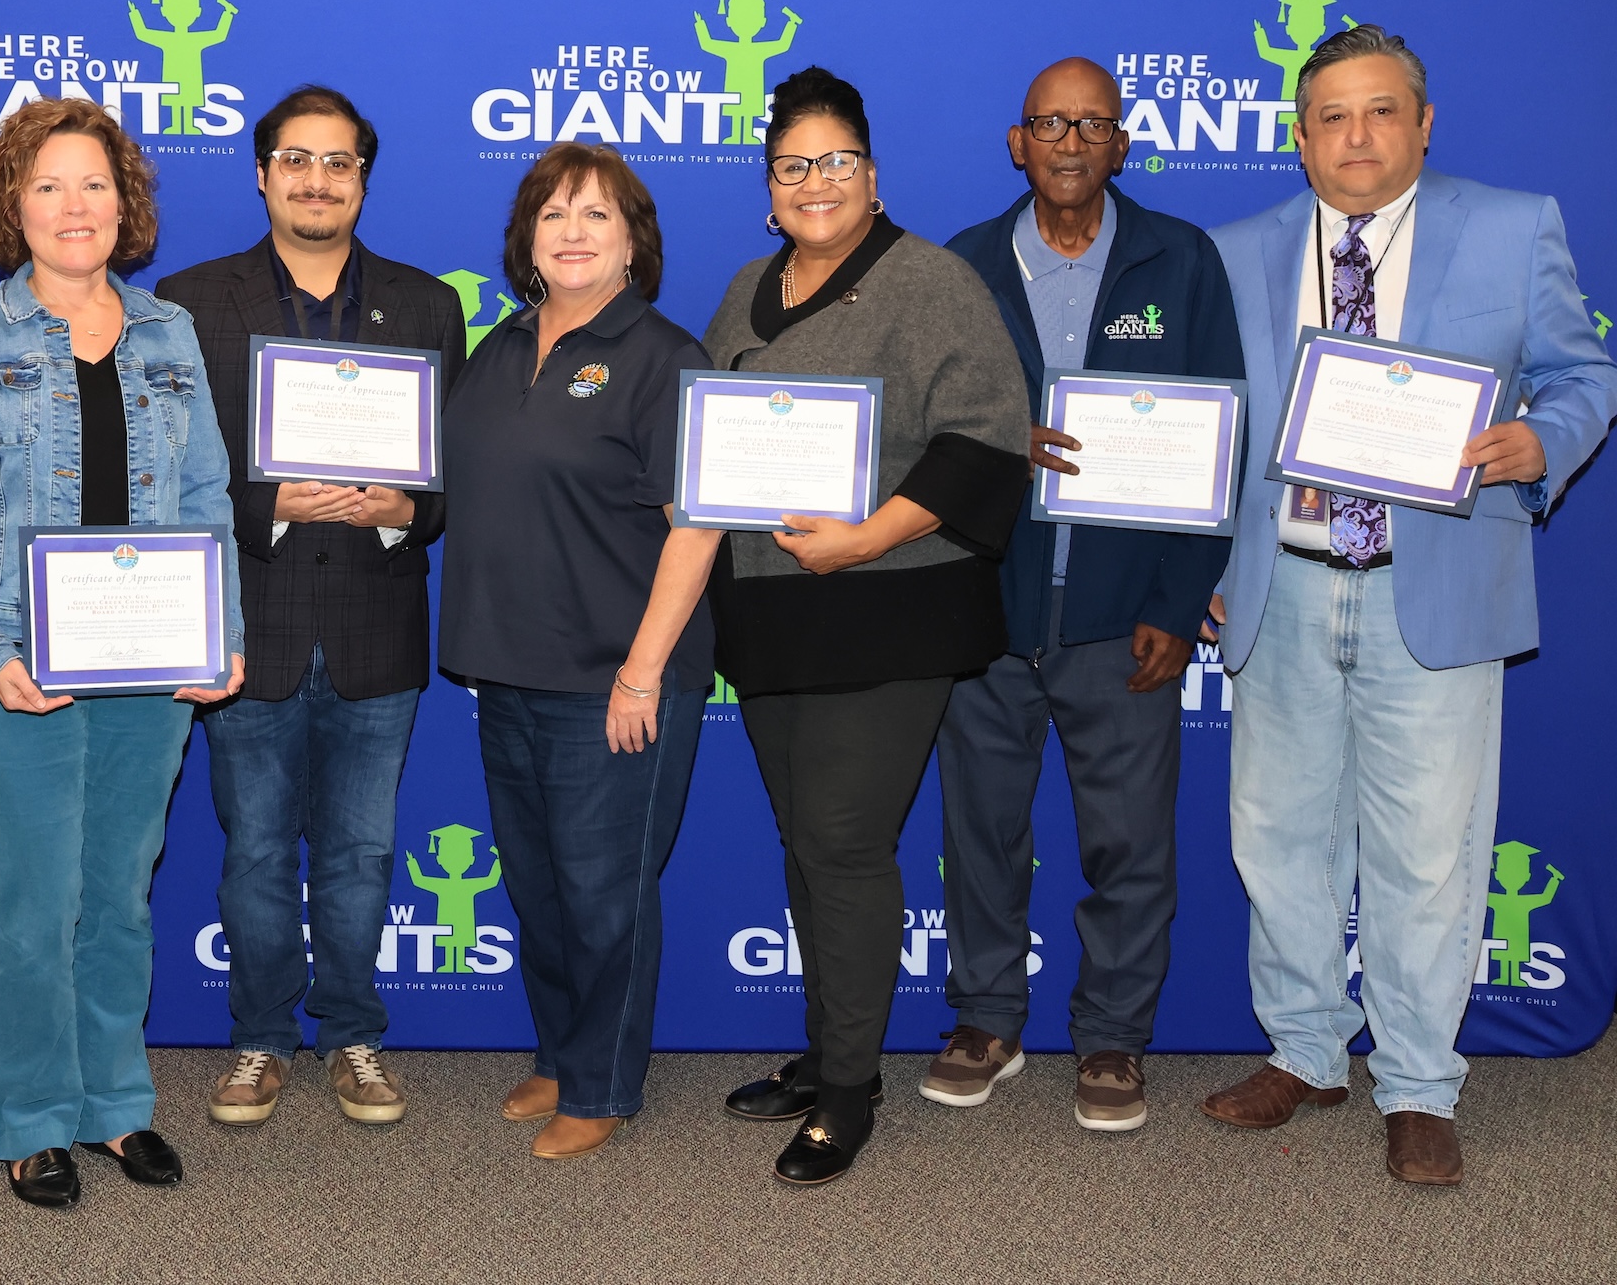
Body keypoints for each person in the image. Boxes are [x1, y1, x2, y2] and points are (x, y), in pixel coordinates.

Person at [1203, 25, 1617, 1186]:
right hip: (1281, 588)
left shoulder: (1510, 223)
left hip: (1429, 591)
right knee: (1278, 842)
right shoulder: (1238, 251)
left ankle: (1421, 1084)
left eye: (1382, 112)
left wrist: (1547, 439)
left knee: (1430, 856)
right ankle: (1304, 1050)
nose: (1358, 137)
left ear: (1424, 124)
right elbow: (1215, 424)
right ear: (1298, 138)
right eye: (1332, 116)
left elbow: (1589, 374)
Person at [0, 98, 245, 1208]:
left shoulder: (167, 331)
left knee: (121, 897)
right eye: (46, 184)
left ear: (126, 201)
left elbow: (204, 494)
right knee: (39, 901)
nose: (73, 205)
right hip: (15, 668)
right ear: (12, 203)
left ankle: (113, 1105)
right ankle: (29, 1114)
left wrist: (220, 630)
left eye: (94, 183)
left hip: (149, 665)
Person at [705, 67, 1031, 1186]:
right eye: (793, 166)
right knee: (808, 845)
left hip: (887, 611)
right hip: (768, 617)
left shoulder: (932, 282)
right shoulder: (748, 285)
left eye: (835, 162)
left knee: (843, 844)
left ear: (874, 177)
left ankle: (849, 1089)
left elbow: (986, 444)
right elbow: (716, 440)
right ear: (768, 189)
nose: (814, 182)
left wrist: (864, 537)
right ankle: (829, 1049)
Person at [928, 58, 1244, 1133]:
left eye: (1092, 125)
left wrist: (1179, 598)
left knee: (1129, 846)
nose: (1070, 142)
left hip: (1125, 621)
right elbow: (913, 428)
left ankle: (1111, 1040)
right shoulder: (960, 266)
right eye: (1049, 124)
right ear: (1018, 144)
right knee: (978, 833)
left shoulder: (1182, 260)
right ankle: (985, 1020)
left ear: (1122, 143)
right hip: (983, 611)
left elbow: (1217, 438)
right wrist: (990, 447)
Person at [155, 86, 468, 1128]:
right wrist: (267, 499)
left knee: (363, 855)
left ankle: (353, 1035)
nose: (317, 179)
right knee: (251, 853)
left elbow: (451, 478)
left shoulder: (427, 306)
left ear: (363, 180)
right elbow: (170, 464)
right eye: (297, 159)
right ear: (261, 172)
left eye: (339, 163)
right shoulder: (193, 302)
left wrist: (402, 510)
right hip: (251, 626)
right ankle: (256, 1039)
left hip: (378, 627)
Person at [439, 143, 720, 1162]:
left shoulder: (662, 356)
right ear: (525, 237)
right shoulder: (503, 346)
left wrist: (642, 670)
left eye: (597, 215)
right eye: (552, 213)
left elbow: (696, 525)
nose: (571, 231)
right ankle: (563, 1051)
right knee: (540, 887)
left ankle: (603, 1088)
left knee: (606, 892)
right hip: (509, 666)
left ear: (632, 240)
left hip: (616, 676)